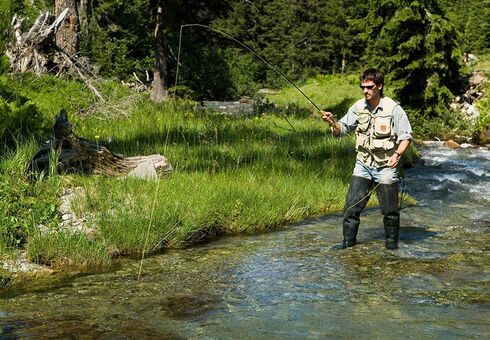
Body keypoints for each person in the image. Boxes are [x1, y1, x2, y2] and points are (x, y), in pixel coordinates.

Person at [321, 68, 412, 250]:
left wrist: (397, 155)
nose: (365, 91)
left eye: (369, 87)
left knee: (390, 212)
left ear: (379, 86)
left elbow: (406, 137)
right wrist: (333, 123)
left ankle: (391, 248)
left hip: (386, 166)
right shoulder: (358, 107)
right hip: (362, 164)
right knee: (350, 208)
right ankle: (348, 247)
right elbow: (342, 128)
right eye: (363, 87)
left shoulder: (394, 109)